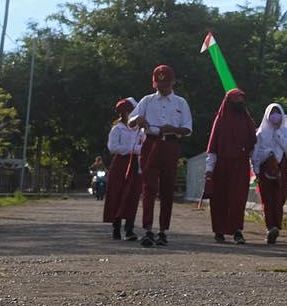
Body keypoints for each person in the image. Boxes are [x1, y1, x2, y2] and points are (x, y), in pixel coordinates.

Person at [129, 64, 192, 247]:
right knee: (148, 187)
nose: (162, 88)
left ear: (173, 82)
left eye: (166, 84)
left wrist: (173, 128)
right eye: (159, 85)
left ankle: (163, 230)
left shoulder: (180, 103)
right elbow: (132, 121)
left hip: (171, 144)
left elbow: (188, 129)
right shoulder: (147, 101)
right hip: (151, 143)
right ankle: (148, 228)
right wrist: (137, 120)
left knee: (167, 188)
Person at [205, 88, 256, 244]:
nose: (240, 104)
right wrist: (209, 169)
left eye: (242, 100)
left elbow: (253, 144)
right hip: (221, 164)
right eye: (236, 101)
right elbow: (213, 147)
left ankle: (237, 230)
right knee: (219, 198)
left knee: (238, 198)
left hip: (240, 164)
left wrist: (255, 166)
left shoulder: (246, 120)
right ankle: (219, 230)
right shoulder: (220, 120)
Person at [102, 97, 143, 240]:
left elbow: (145, 146)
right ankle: (116, 228)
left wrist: (137, 150)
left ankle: (130, 229)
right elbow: (113, 147)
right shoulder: (117, 129)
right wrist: (134, 149)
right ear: (125, 113)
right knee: (118, 194)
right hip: (120, 165)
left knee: (133, 196)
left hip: (136, 165)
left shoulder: (140, 130)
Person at [252, 102, 287, 244]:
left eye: (278, 112)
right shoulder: (261, 133)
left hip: (282, 169)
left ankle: (276, 224)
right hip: (265, 169)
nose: (275, 116)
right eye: (272, 113)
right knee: (267, 200)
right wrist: (268, 155)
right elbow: (256, 153)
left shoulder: (285, 131)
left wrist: (278, 135)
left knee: (279, 199)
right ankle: (270, 227)